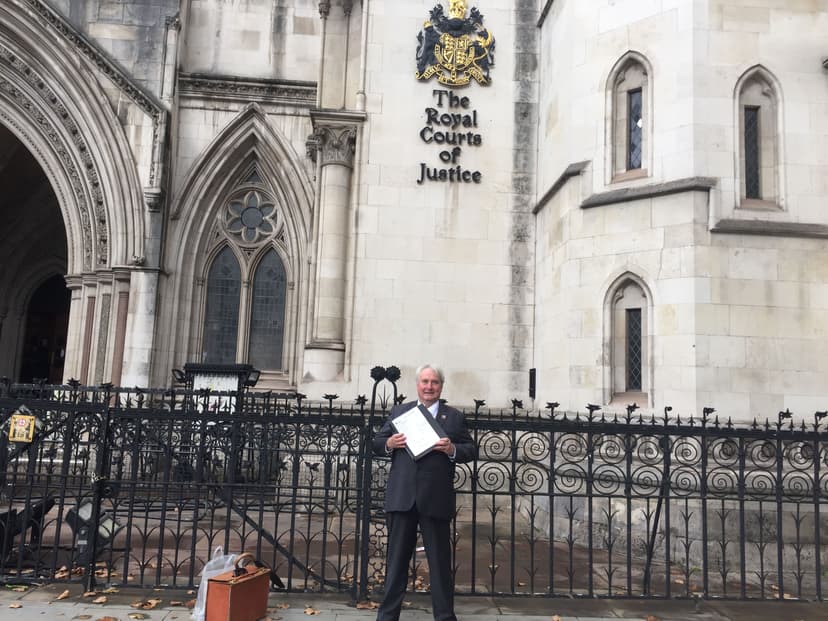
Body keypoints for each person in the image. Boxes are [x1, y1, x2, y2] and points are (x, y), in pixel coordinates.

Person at [373, 364, 476, 621]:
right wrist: (389, 443)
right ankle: (387, 617)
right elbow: (375, 442)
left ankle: (444, 617)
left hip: (436, 498)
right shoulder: (401, 412)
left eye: (434, 382)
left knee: (440, 566)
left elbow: (471, 450)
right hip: (403, 497)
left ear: (441, 386)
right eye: (425, 382)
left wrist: (452, 449)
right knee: (396, 563)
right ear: (417, 385)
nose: (429, 387)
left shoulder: (453, 417)